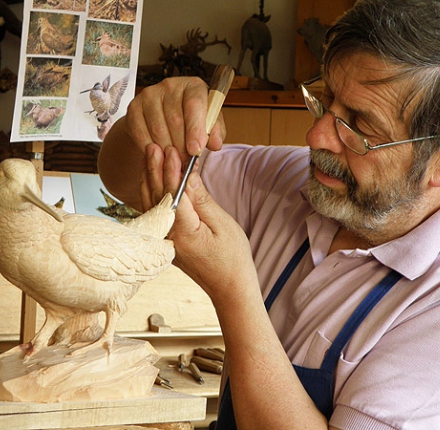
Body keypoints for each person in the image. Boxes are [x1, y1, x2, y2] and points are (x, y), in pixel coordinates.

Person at [98, 0, 440, 428]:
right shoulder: (290, 180)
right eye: (326, 99)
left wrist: (234, 292)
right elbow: (122, 180)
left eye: (360, 127)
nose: (315, 136)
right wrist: (145, 127)